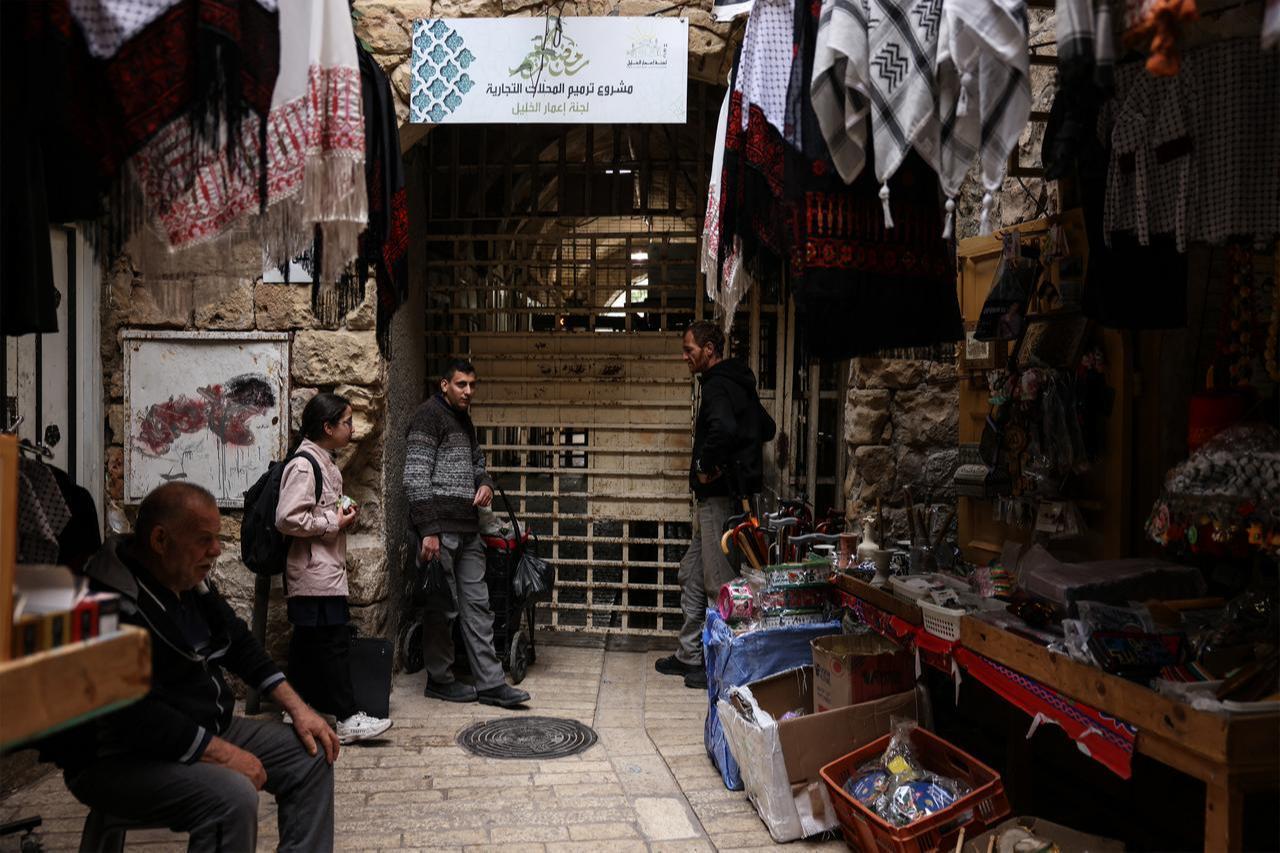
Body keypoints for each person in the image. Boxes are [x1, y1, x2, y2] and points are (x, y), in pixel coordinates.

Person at [62, 482, 339, 852]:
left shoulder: (185, 581)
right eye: (204, 539)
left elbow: (239, 643)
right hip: (120, 756)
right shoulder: (104, 602)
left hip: (202, 727)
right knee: (232, 796)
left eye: (217, 538)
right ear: (160, 540)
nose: (216, 550)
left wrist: (299, 709)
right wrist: (224, 754)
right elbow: (136, 716)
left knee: (312, 753)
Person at [655, 321, 775, 689]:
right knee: (690, 573)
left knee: (717, 583)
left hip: (719, 500)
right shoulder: (739, 384)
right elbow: (766, 428)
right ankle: (689, 654)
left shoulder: (717, 386)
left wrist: (707, 467)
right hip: (722, 499)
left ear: (709, 349)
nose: (685, 357)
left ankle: (717, 666)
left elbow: (723, 429)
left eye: (689, 350)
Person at [405, 359, 531, 708]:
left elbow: (477, 463)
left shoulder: (464, 419)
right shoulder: (427, 417)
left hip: (467, 529)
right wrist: (429, 531)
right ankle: (440, 679)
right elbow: (414, 477)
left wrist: (485, 483)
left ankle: (491, 684)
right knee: (442, 608)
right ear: (444, 385)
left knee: (479, 607)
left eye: (472, 385)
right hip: (440, 531)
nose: (468, 391)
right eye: (461, 384)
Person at [276, 392, 393, 744]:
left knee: (309, 644)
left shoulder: (325, 462)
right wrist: (332, 521)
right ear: (327, 427)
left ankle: (296, 708)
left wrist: (340, 515)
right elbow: (287, 518)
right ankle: (346, 718)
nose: (352, 429)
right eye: (347, 422)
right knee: (333, 644)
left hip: (322, 570)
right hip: (314, 572)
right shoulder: (304, 465)